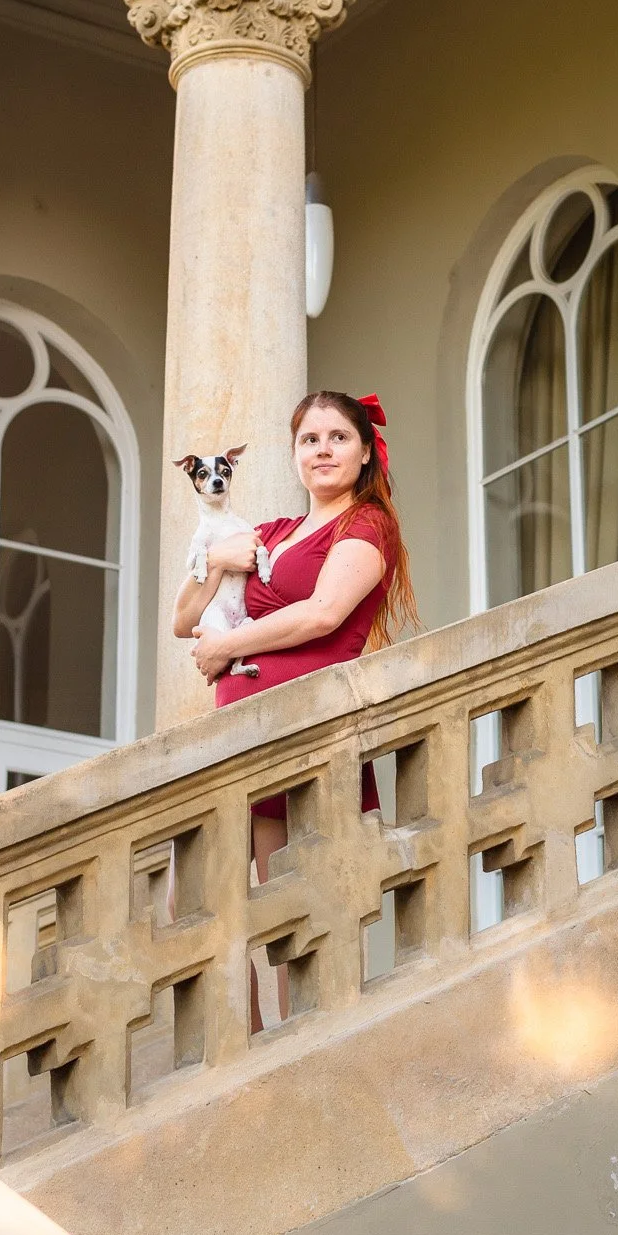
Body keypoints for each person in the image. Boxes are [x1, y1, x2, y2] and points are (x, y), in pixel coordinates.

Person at [171, 390, 418, 1027]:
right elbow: (182, 621)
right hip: (244, 740)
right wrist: (216, 562)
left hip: (306, 737)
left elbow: (324, 614)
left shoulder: (366, 526)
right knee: (198, 902)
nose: (323, 450)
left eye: (338, 437)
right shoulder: (270, 534)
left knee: (298, 919)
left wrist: (228, 645)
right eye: (310, 440)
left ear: (366, 453)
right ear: (294, 455)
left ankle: (296, 1054)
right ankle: (248, 1055)